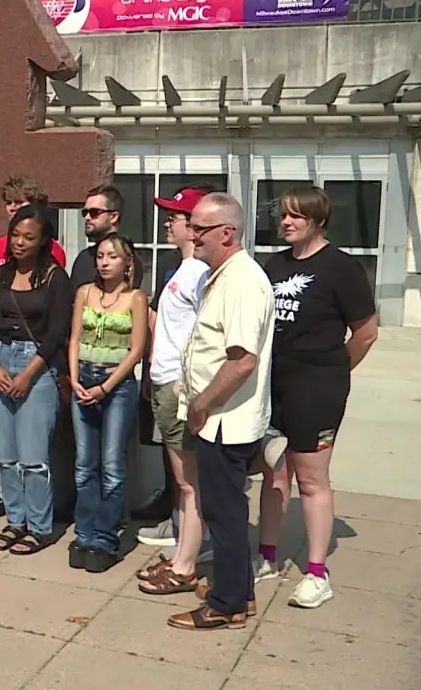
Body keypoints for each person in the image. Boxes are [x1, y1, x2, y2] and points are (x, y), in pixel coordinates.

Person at [254, 185, 378, 609]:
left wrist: (332, 370)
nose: (286, 222)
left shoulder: (342, 268)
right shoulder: (273, 264)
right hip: (274, 385)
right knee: (273, 474)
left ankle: (316, 572)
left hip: (318, 387)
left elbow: (365, 333)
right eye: (283, 215)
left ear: (318, 221)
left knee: (310, 479)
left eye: (296, 216)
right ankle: (266, 557)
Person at [169, 192, 274, 631]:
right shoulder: (224, 275)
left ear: (226, 233)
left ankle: (227, 603)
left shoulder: (242, 281)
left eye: (199, 229)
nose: (191, 236)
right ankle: (238, 589)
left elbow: (242, 359)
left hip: (224, 420)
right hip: (217, 418)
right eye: (191, 227)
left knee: (224, 513)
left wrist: (200, 405)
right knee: (224, 509)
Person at [0, 204, 73, 554]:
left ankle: (39, 525)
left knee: (34, 457)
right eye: (15, 235)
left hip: (38, 364)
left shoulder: (54, 278)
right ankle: (15, 520)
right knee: (6, 453)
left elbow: (56, 333)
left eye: (29, 237)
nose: (19, 243)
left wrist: (28, 373)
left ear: (44, 240)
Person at [137, 187, 212, 595]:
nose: (168, 222)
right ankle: (184, 551)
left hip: (181, 388)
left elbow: (206, 335)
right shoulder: (180, 269)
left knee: (190, 483)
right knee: (183, 482)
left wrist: (186, 383)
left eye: (175, 216)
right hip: (165, 382)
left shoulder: (201, 273)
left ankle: (186, 564)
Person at [66, 233, 148, 573]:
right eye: (100, 255)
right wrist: (73, 379)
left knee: (111, 465)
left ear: (127, 262)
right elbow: (74, 339)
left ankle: (104, 536)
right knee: (85, 464)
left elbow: (137, 350)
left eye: (112, 256)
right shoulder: (85, 292)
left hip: (117, 384)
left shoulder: (136, 298)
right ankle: (84, 532)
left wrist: (106, 386)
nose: (104, 262)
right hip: (82, 377)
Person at [70, 184, 145, 289]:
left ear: (113, 217)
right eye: (85, 212)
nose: (87, 217)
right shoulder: (84, 258)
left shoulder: (127, 257)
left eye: (94, 212)